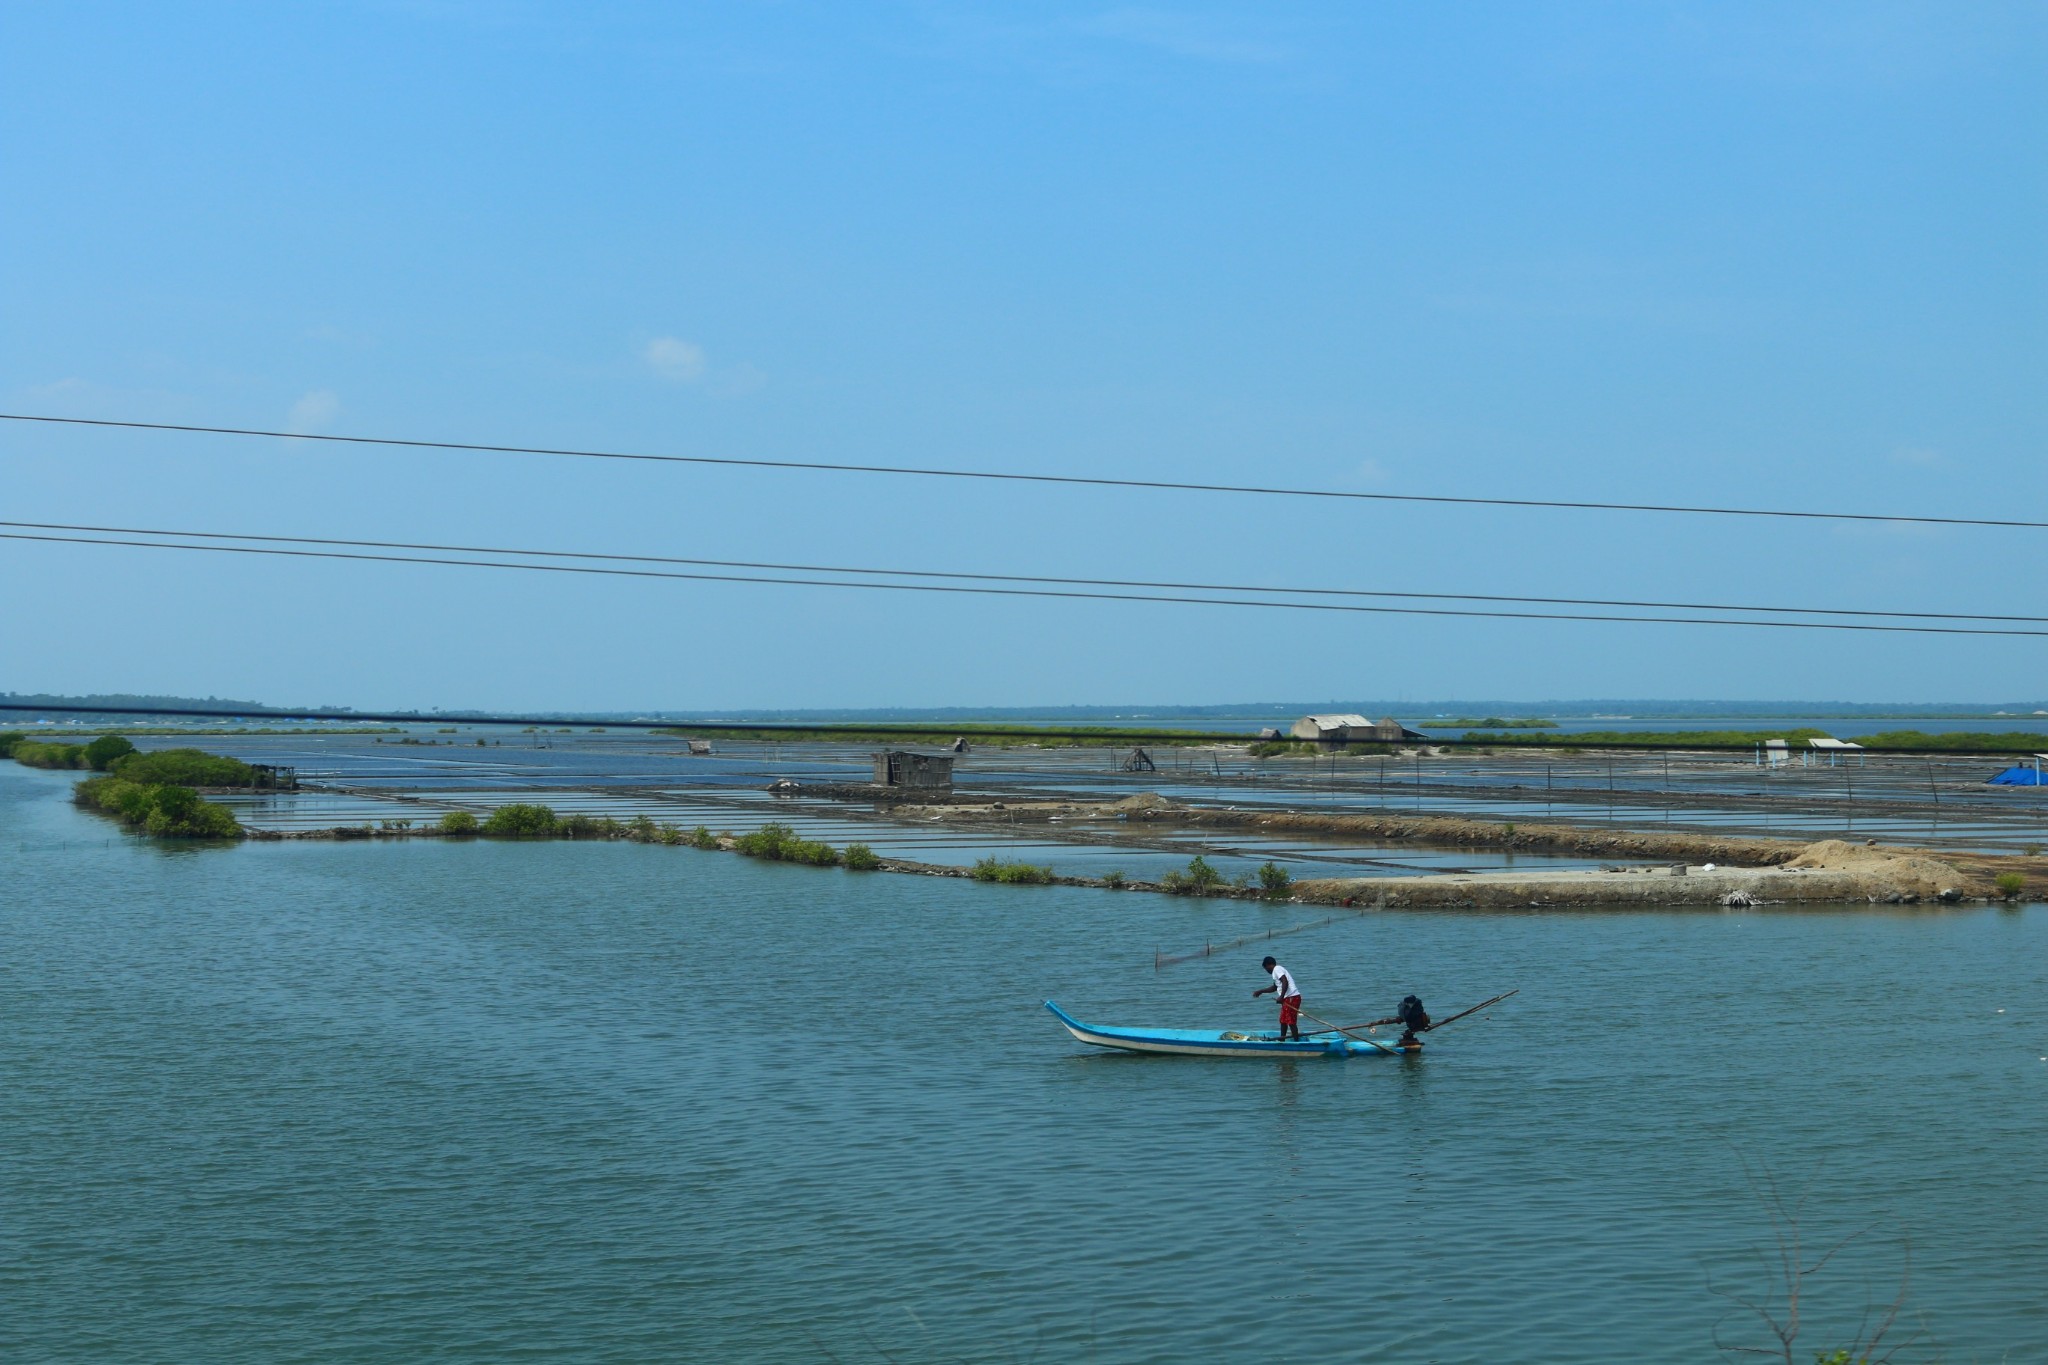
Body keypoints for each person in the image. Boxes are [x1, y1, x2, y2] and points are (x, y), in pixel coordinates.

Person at [1252, 956, 1303, 1042]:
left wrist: (1281, 997)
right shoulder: (1276, 973)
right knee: (1283, 1020)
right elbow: (1275, 987)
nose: (1267, 971)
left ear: (1268, 965)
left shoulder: (1277, 969)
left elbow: (1284, 981)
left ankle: (1296, 1042)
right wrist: (1261, 991)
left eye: (1266, 968)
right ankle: (1282, 1040)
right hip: (1288, 998)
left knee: (1291, 1021)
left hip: (1292, 997)